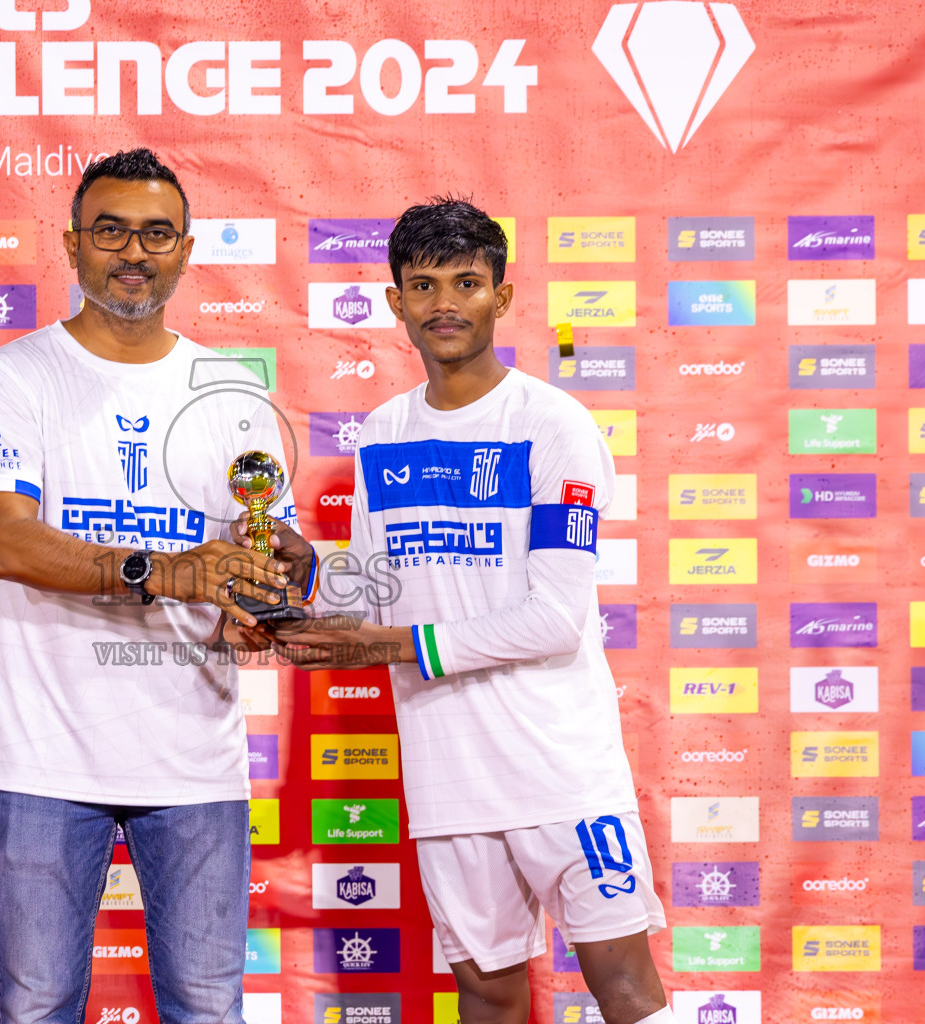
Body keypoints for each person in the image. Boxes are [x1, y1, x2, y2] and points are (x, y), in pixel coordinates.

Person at [271, 198, 670, 1024]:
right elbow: (383, 583)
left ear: (503, 296)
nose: (444, 303)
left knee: (624, 987)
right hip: (448, 769)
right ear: (397, 304)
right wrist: (312, 577)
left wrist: (387, 645)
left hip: (560, 767)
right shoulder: (382, 431)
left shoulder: (553, 424)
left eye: (466, 282)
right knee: (486, 995)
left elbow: (555, 618)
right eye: (423, 285)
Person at [0, 148, 307, 1024]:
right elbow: (5, 541)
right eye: (110, 230)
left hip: (194, 754)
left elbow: (269, 537)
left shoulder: (230, 390)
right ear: (73, 246)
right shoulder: (17, 374)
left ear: (186, 251)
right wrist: (172, 572)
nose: (134, 252)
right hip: (46, 756)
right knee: (37, 1007)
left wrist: (279, 578)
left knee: (206, 1008)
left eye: (156, 234)